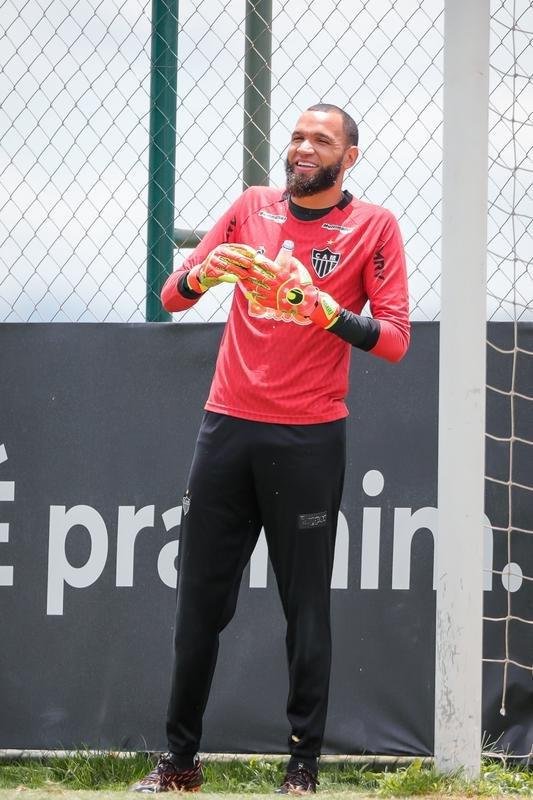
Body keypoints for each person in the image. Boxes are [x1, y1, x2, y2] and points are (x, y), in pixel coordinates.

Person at [133, 103, 410, 794]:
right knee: (199, 603)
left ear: (348, 157)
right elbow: (173, 295)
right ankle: (178, 764)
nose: (303, 147)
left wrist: (323, 309)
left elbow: (396, 338)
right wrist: (207, 274)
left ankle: (301, 768)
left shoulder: (372, 225)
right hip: (225, 427)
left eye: (321, 139)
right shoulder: (249, 207)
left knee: (304, 608)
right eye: (296, 136)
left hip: (308, 436)